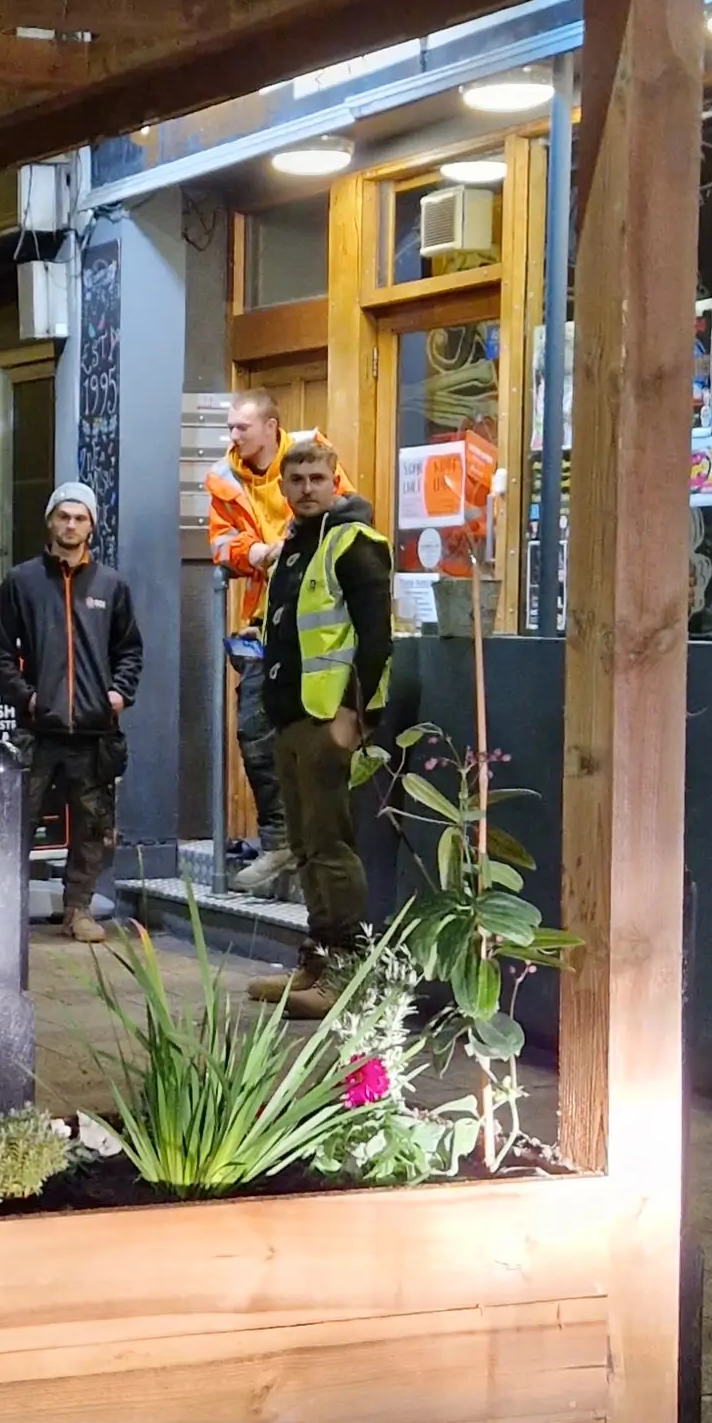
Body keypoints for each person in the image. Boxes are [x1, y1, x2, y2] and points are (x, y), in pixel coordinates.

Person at [253, 428, 392, 1006]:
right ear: (283, 487)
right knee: (306, 846)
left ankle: (346, 976)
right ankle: (317, 961)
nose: (307, 488)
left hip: (326, 721)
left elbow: (377, 640)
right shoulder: (294, 547)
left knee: (331, 846)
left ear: (334, 482)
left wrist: (353, 716)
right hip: (290, 719)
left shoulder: (353, 543)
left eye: (317, 479)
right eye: (297, 479)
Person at [0, 478, 142, 942]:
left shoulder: (111, 585)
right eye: (63, 516)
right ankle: (3, 913)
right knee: (16, 822)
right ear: (50, 521)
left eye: (80, 518)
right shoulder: (22, 581)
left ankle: (78, 911)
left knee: (93, 825)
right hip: (37, 730)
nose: (71, 525)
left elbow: (129, 649)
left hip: (94, 733)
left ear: (91, 526)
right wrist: (26, 697)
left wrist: (119, 694)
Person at [202, 389, 294, 895]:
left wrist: (291, 544)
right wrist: (256, 552)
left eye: (242, 427)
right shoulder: (225, 477)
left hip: (316, 625)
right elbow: (220, 544)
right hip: (261, 624)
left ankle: (312, 849)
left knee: (318, 742)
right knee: (255, 734)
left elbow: (346, 518)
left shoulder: (309, 459)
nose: (233, 436)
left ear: (271, 426)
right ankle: (278, 843)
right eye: (231, 427)